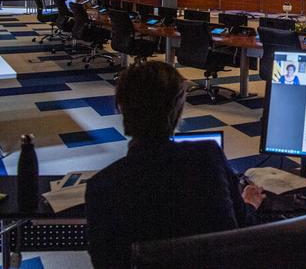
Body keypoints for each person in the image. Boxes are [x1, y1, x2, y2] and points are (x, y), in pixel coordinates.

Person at [86, 62, 265, 268]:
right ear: (179, 107)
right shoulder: (208, 157)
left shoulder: (101, 186)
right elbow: (240, 230)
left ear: (121, 107)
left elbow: (105, 263)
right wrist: (250, 203)